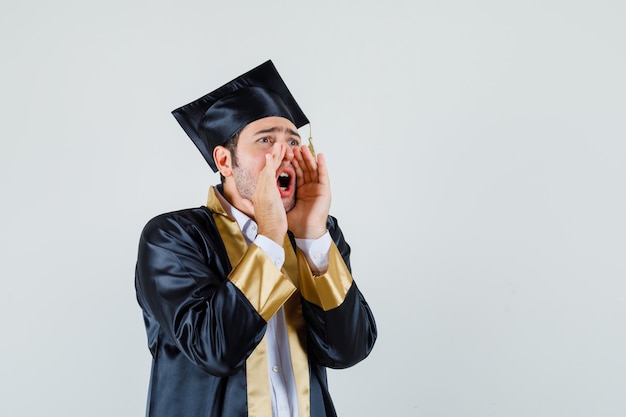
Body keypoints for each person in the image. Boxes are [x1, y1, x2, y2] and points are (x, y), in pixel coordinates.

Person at [135, 60, 377, 417]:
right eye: (266, 140)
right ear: (224, 161)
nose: (284, 154)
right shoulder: (173, 237)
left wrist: (311, 235)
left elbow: (348, 349)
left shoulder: (317, 235)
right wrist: (270, 237)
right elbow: (216, 349)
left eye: (293, 141)